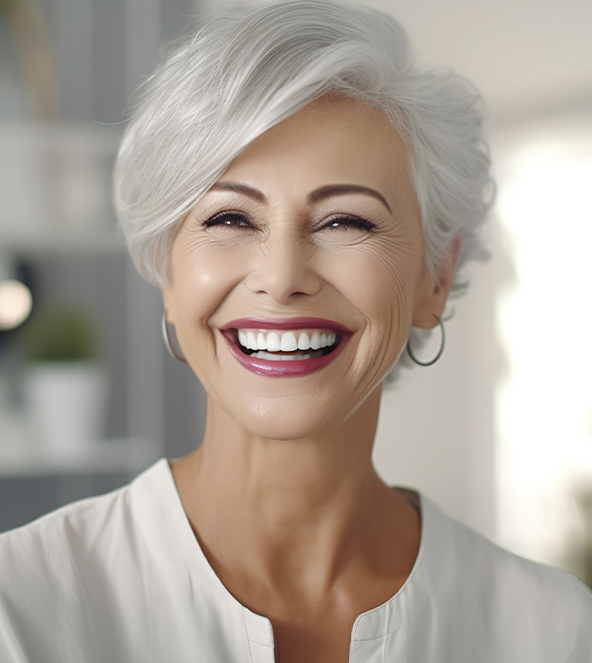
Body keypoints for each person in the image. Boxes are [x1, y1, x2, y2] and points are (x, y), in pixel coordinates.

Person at [1, 1, 591, 661]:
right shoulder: (20, 605)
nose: (281, 278)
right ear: (169, 273)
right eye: (230, 218)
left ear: (435, 274)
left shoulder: (552, 630)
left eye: (346, 221)